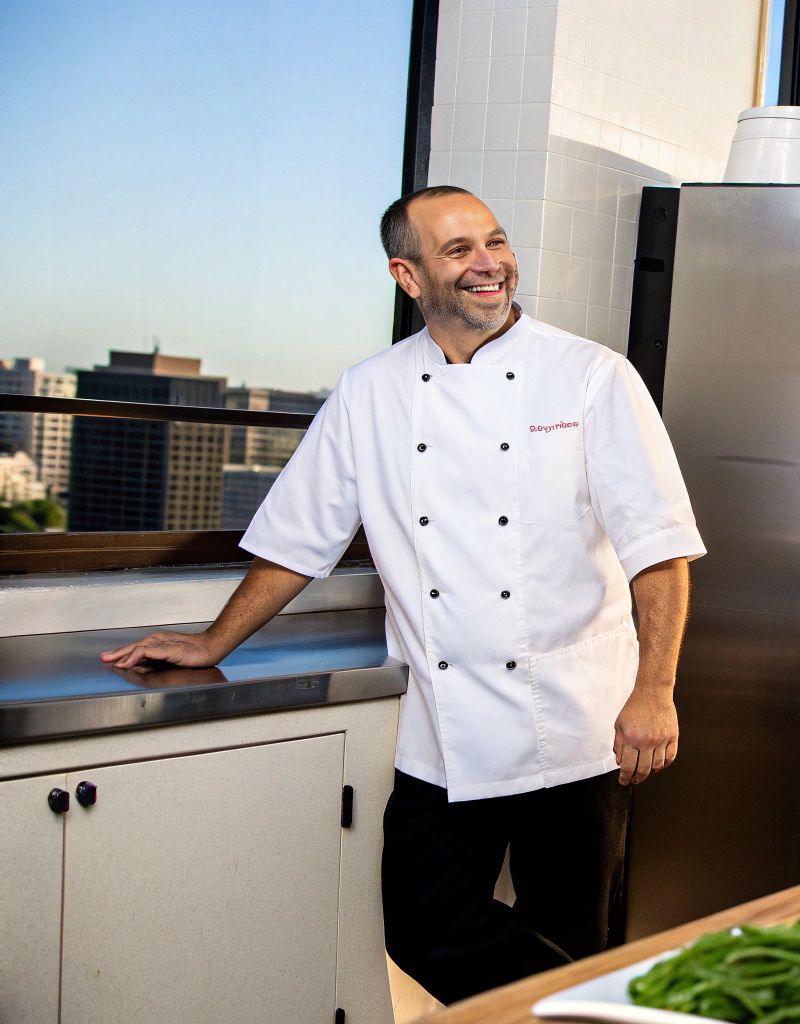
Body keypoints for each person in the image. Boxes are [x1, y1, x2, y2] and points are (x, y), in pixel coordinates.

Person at [100, 185, 704, 1004]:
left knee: (569, 928)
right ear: (408, 276)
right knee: (424, 925)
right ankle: (614, 1008)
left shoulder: (592, 378)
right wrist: (214, 643)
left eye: (494, 242)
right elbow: (296, 538)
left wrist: (656, 689)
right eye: (459, 251)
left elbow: (659, 551)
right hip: (446, 722)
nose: (490, 264)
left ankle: (594, 1001)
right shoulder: (370, 391)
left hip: (575, 720)